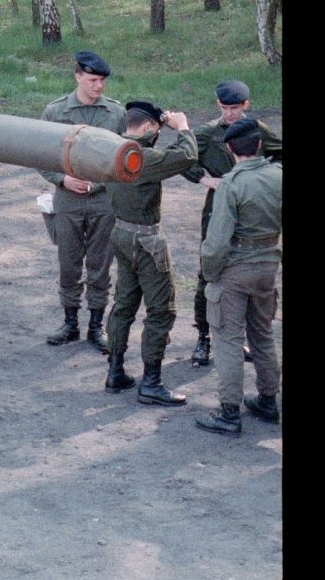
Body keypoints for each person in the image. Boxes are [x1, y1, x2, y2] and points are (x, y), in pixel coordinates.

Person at [103, 101, 196, 405]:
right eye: (155, 131)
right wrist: (181, 128)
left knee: (124, 303)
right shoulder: (142, 156)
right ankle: (151, 383)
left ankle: (115, 372)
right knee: (161, 310)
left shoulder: (112, 148)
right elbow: (186, 156)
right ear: (146, 128)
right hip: (147, 240)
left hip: (120, 233)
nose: (157, 136)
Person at [194, 117, 284, 435]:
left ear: (231, 149)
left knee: (228, 339)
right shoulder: (278, 175)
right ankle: (269, 400)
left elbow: (216, 241)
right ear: (259, 144)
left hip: (235, 270)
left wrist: (211, 274)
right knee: (262, 335)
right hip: (267, 266)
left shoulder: (231, 184)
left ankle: (229, 412)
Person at [183, 80, 282, 365]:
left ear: (246, 105)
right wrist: (204, 179)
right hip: (217, 210)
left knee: (245, 272)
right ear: (218, 105)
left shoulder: (257, 130)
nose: (230, 114)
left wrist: (266, 180)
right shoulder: (208, 133)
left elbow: (279, 151)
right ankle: (203, 338)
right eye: (225, 108)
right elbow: (183, 157)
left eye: (235, 108)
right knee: (209, 273)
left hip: (251, 212)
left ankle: (240, 340)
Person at [39, 51, 125, 353]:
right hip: (68, 199)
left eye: (102, 81)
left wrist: (99, 182)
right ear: (78, 76)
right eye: (92, 80)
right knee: (69, 261)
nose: (98, 86)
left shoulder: (115, 114)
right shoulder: (56, 112)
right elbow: (39, 154)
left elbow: (124, 159)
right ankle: (70, 322)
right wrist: (62, 180)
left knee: (101, 262)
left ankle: (96, 325)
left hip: (103, 200)